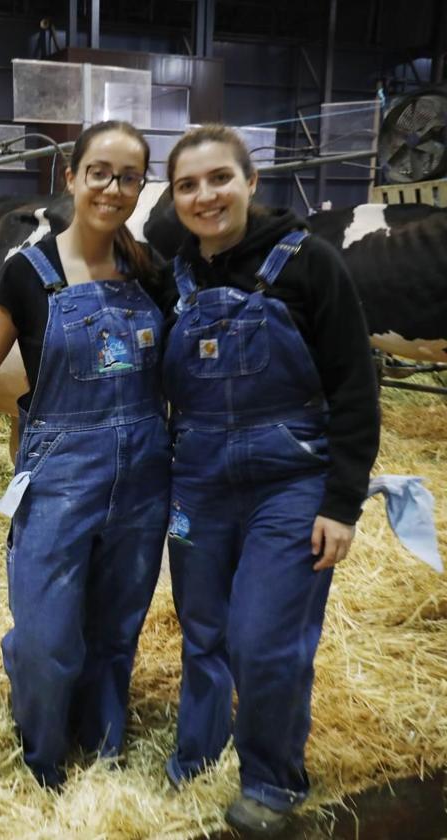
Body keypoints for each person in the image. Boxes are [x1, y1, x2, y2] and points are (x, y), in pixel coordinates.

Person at [0, 120, 173, 786]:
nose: (113, 188)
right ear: (72, 178)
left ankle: (106, 747)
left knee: (116, 633)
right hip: (58, 479)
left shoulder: (150, 271)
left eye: (128, 176)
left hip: (142, 480)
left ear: (141, 186)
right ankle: (46, 758)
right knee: (48, 640)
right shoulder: (29, 271)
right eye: (100, 173)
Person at [160, 125, 380, 836]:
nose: (206, 195)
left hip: (290, 481)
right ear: (175, 197)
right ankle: (196, 751)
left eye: (219, 178)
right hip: (197, 479)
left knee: (262, 639)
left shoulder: (309, 263)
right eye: (188, 185)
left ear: (252, 182)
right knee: (201, 630)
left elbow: (355, 386)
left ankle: (272, 779)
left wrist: (341, 503)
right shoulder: (175, 275)